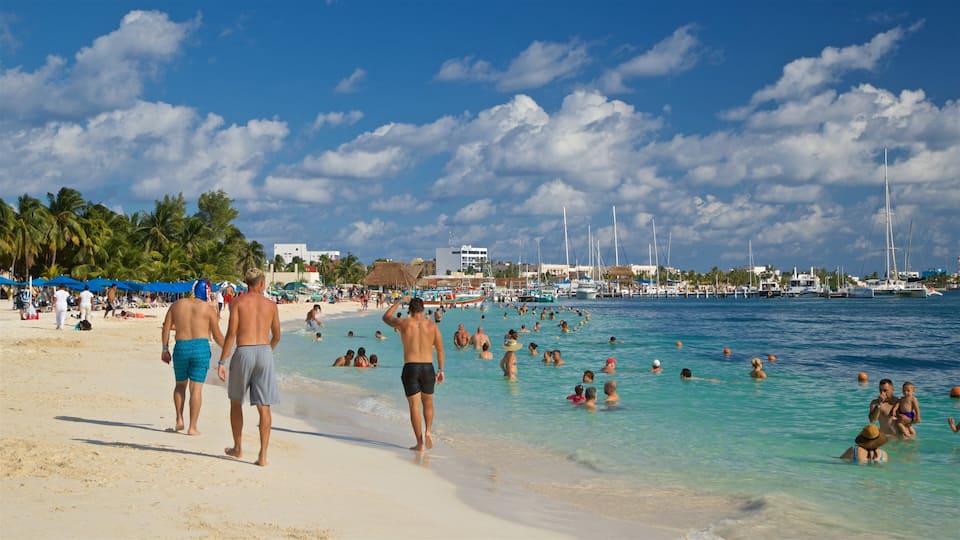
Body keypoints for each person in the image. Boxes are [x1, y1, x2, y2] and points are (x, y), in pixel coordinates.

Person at [217, 268, 281, 467]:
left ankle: (238, 448)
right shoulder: (271, 305)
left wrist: (222, 361)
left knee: (236, 401)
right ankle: (263, 456)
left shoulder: (237, 303)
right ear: (262, 283)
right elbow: (277, 335)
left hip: (244, 351)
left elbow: (231, 334)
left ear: (247, 283)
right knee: (264, 407)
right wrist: (267, 351)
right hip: (264, 352)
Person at [160, 279, 225, 435]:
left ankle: (179, 420)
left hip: (181, 347)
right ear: (207, 292)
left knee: (180, 385)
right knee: (196, 389)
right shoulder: (209, 309)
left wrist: (164, 349)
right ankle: (192, 427)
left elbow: (166, 327)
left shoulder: (177, 305)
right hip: (201, 349)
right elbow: (217, 336)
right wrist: (229, 349)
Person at [382, 295, 445, 452]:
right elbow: (440, 349)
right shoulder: (433, 327)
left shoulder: (404, 323)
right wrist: (440, 369)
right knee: (428, 402)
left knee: (414, 407)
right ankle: (428, 431)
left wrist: (399, 301)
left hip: (410, 367)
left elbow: (385, 317)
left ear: (409, 310)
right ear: (423, 309)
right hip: (428, 367)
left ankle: (420, 443)